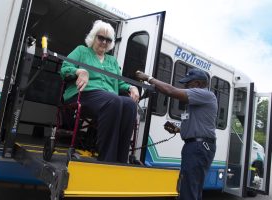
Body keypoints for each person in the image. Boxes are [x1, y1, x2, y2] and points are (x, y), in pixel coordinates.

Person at [60, 20, 139, 163]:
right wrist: (79, 70)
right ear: (93, 37)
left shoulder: (112, 61)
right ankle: (107, 159)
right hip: (82, 94)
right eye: (100, 38)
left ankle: (121, 160)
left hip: (107, 98)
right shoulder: (81, 51)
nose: (104, 42)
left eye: (108, 40)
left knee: (130, 105)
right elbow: (64, 69)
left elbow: (119, 82)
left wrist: (130, 87)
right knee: (113, 100)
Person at [135, 69, 217, 200]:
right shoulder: (197, 102)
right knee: (189, 186)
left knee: (189, 189)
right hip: (195, 146)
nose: (185, 87)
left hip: (199, 147)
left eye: (188, 84)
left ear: (198, 83)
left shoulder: (205, 95)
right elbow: (198, 124)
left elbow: (171, 91)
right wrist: (178, 129)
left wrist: (148, 78)